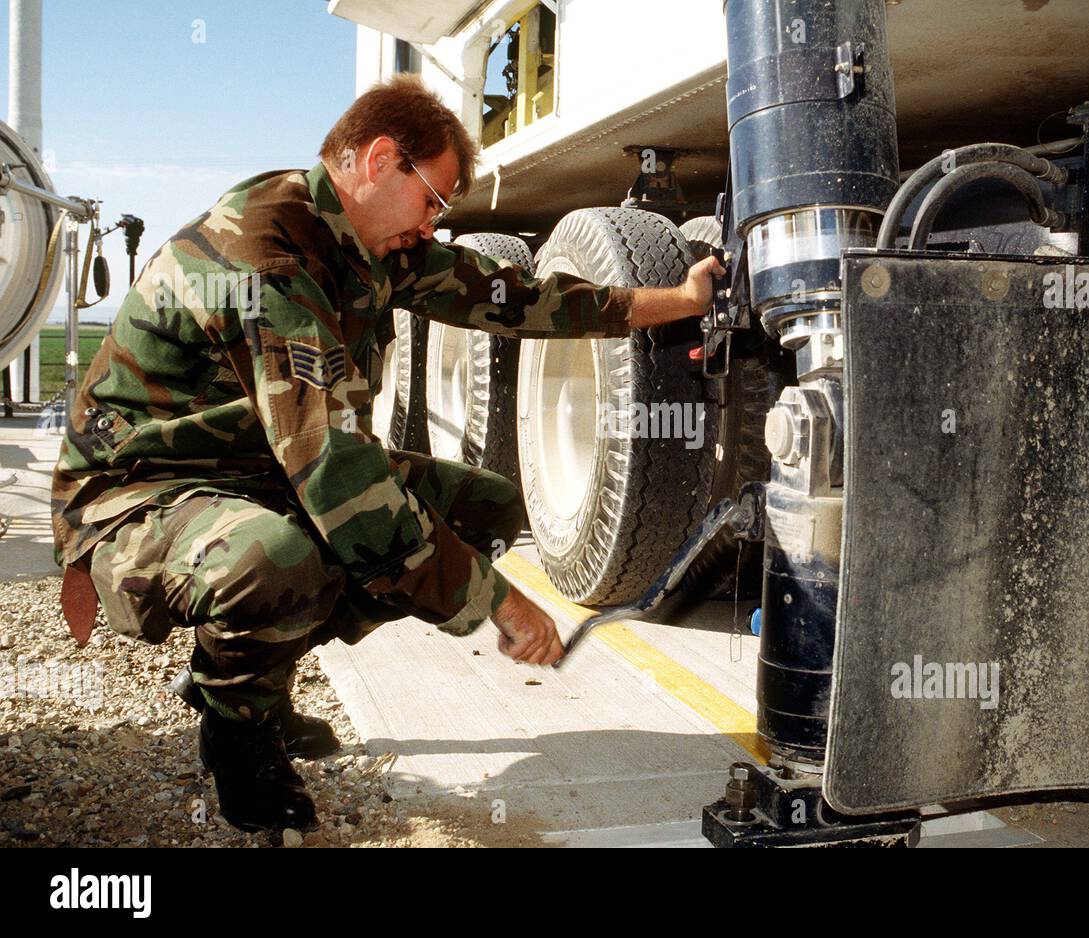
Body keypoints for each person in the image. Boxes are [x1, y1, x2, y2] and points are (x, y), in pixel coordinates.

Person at [50, 75, 723, 833]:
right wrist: (495, 600)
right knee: (278, 555)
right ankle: (236, 727)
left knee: (484, 506)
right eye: (432, 200)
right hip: (142, 487)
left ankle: (257, 678)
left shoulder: (371, 242)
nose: (434, 226)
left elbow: (518, 297)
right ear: (377, 161)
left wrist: (680, 300)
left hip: (256, 467)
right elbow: (334, 467)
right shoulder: (268, 254)